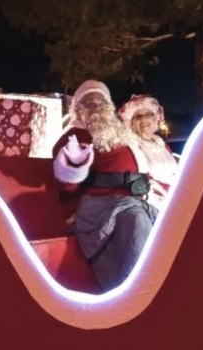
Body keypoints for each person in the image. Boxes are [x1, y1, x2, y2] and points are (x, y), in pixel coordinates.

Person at [52, 81, 161, 292]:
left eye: (101, 101)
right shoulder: (75, 136)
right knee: (136, 221)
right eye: (88, 102)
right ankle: (133, 293)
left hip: (139, 199)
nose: (96, 105)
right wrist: (75, 164)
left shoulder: (122, 133)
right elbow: (66, 186)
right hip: (101, 205)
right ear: (78, 108)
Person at [118, 94, 178, 212]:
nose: (143, 119)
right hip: (154, 204)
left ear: (155, 118)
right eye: (138, 116)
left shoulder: (163, 145)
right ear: (130, 122)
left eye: (148, 114)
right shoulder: (131, 147)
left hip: (178, 197)